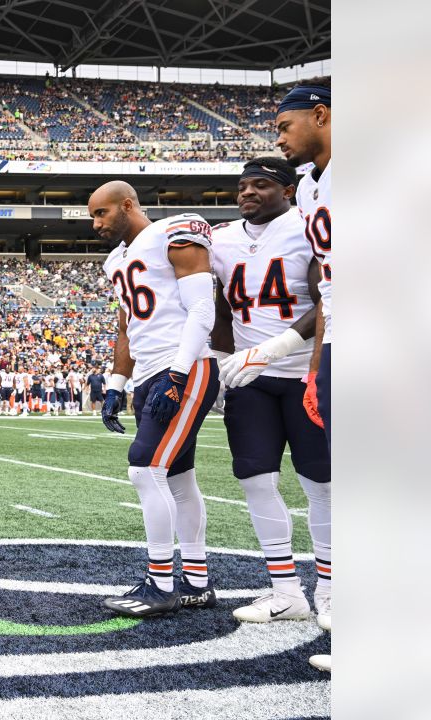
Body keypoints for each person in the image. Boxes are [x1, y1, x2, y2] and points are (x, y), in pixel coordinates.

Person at [209, 157, 331, 627]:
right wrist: (220, 360)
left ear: (287, 190)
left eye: (261, 184)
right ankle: (285, 592)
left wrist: (276, 350)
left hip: (306, 373)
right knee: (256, 481)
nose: (248, 192)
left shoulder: (307, 227)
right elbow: (218, 308)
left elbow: (328, 300)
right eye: (243, 186)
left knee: (321, 484)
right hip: (250, 380)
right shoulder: (220, 241)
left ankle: (332, 590)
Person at [93, 180, 221, 618]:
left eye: (101, 214)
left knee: (145, 469)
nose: (96, 224)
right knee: (179, 478)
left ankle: (161, 583)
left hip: (182, 365)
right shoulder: (117, 259)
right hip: (149, 371)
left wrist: (178, 374)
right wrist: (115, 385)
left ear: (127, 205)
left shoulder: (175, 231)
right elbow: (127, 327)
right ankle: (196, 582)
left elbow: (203, 310)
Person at [274, 83, 333, 673]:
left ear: (321, 114)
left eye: (286, 124)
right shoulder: (314, 184)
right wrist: (315, 363)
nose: (280, 136)